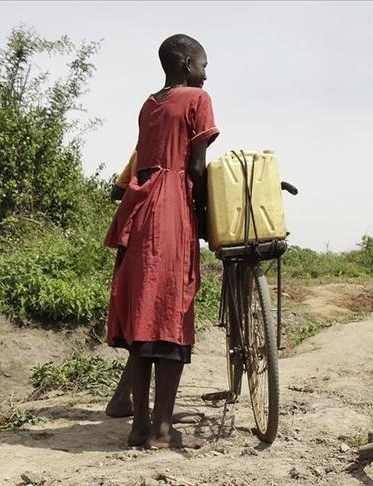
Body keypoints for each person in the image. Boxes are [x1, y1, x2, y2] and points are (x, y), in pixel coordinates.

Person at [104, 33, 218, 449]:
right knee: (171, 311)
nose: (207, 73)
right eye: (204, 65)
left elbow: (144, 159)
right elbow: (197, 166)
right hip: (172, 208)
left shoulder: (148, 104)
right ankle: (164, 431)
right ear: (187, 63)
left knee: (143, 314)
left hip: (139, 207)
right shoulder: (196, 99)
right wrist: (206, 218)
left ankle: (138, 427)